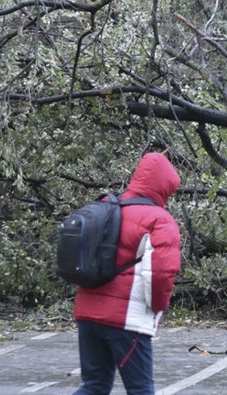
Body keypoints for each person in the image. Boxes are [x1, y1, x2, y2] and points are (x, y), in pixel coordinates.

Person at [72, 152, 182, 395]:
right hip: (126, 320)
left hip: (87, 313)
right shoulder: (160, 220)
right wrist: (156, 309)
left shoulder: (105, 207)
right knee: (141, 388)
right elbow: (162, 274)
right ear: (165, 187)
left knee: (94, 386)